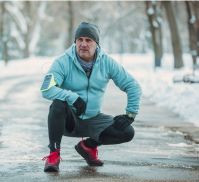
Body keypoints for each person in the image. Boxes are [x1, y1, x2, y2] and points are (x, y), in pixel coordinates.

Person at [40, 22, 142, 172]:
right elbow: (46, 89)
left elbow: (133, 86)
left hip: (94, 120)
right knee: (58, 104)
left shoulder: (107, 63)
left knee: (127, 132)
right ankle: (54, 155)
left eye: (88, 40)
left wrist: (130, 114)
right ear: (75, 42)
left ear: (96, 44)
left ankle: (88, 146)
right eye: (79, 39)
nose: (83, 44)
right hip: (69, 121)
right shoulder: (62, 62)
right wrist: (72, 97)